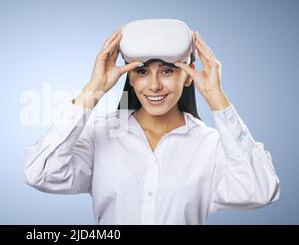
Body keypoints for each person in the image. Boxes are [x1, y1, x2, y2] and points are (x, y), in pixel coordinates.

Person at [23, 27, 280, 225]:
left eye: (168, 71)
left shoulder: (211, 146)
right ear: (130, 77)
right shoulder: (102, 135)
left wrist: (216, 97)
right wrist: (94, 89)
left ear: (188, 75)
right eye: (143, 72)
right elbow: (40, 172)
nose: (154, 85)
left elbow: (259, 191)